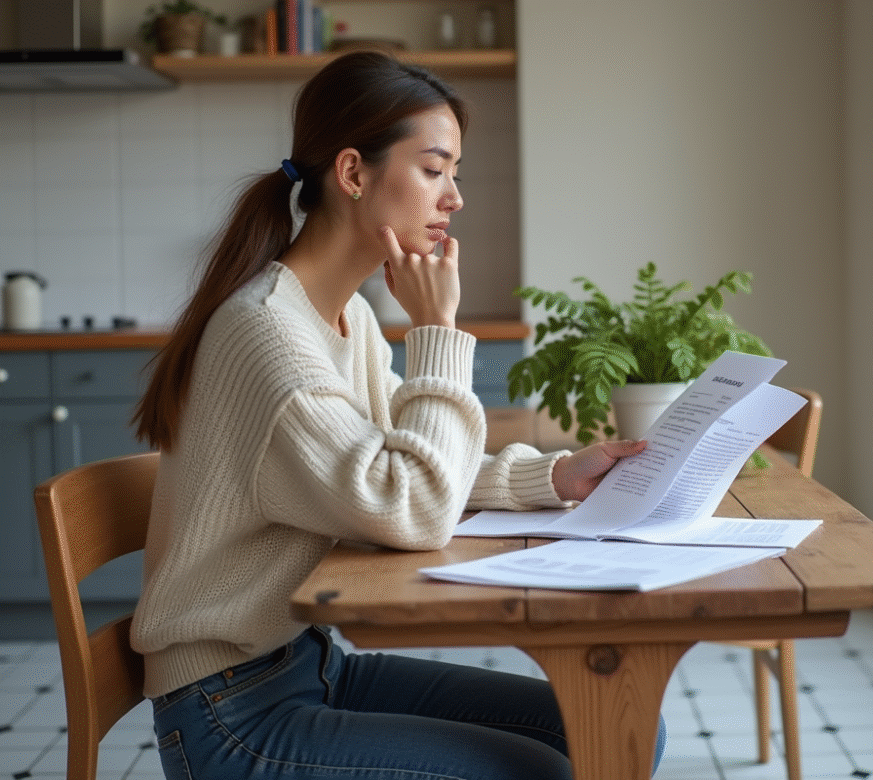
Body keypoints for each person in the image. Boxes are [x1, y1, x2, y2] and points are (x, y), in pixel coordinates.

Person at [129, 50, 663, 780]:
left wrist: (556, 476)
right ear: (352, 174)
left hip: (307, 666)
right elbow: (412, 508)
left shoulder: (344, 313)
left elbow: (412, 471)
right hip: (230, 715)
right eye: (435, 169)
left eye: (455, 174)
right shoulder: (265, 334)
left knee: (624, 726)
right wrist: (438, 332)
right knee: (548, 767)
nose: (455, 198)